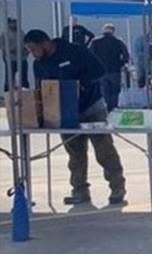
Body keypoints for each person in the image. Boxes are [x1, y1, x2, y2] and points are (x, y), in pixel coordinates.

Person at [23, 29, 126, 205]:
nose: (32, 54)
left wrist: (81, 84)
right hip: (65, 113)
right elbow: (42, 88)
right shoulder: (39, 64)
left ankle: (117, 187)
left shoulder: (75, 51)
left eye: (33, 49)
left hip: (92, 107)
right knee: (75, 154)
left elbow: (100, 70)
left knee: (104, 149)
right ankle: (80, 190)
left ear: (45, 43)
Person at [89, 23, 131, 111]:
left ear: (103, 30)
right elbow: (126, 55)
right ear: (113, 31)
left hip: (101, 71)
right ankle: (114, 108)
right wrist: (121, 64)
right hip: (115, 70)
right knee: (115, 91)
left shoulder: (95, 41)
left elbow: (90, 55)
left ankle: (107, 108)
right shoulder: (118, 41)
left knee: (104, 91)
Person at [2, 18, 29, 92]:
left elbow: (27, 45)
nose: (13, 24)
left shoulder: (22, 33)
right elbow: (2, 47)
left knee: (23, 78)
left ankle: (25, 93)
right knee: (9, 79)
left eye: (15, 22)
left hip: (22, 59)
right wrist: (7, 52)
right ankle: (8, 95)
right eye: (11, 22)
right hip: (10, 59)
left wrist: (26, 53)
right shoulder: (4, 34)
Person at [133, 24, 152, 88]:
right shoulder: (141, 40)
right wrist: (149, 54)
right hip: (143, 66)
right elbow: (137, 53)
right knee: (142, 83)